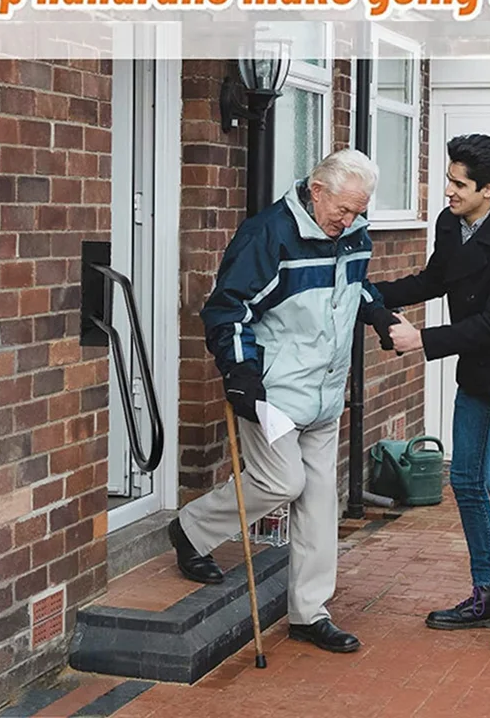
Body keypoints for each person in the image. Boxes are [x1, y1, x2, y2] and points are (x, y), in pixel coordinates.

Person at [168, 149, 399, 654]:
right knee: (282, 481)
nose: (351, 220)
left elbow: (351, 289)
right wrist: (241, 376)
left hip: (326, 391)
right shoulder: (267, 235)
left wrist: (379, 315)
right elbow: (226, 310)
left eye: (359, 210)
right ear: (317, 191)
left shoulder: (352, 233)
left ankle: (309, 613)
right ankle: (191, 528)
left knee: (319, 504)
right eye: (344, 209)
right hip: (274, 393)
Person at [372, 134, 490, 650]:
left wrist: (422, 340)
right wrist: (372, 290)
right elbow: (434, 280)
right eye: (448, 179)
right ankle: (488, 593)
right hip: (476, 370)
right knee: (466, 482)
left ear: (489, 189)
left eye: (458, 184)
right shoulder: (451, 224)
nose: (447, 192)